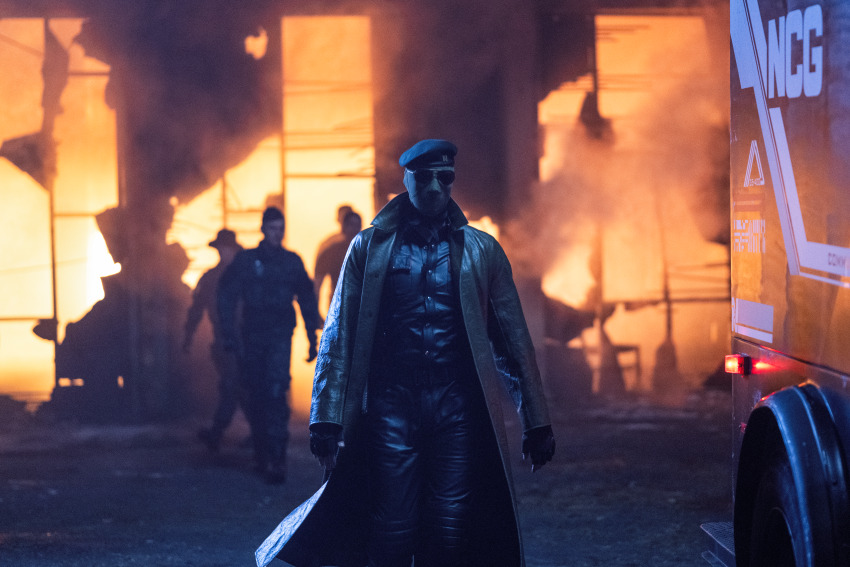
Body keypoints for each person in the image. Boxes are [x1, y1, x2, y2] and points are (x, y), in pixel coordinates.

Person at [256, 139, 555, 566]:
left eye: (444, 177)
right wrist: (326, 417)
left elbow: (512, 340)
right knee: (391, 527)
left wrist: (537, 420)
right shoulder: (369, 248)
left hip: (456, 408)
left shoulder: (482, 251)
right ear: (407, 181)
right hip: (391, 406)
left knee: (448, 529)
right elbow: (340, 334)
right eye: (424, 177)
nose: (434, 188)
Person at [218, 207, 321, 484]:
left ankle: (276, 459)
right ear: (263, 229)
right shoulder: (247, 261)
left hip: (279, 337)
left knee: (275, 392)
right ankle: (263, 454)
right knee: (256, 394)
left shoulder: (291, 262)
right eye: (273, 228)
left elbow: (307, 301)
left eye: (281, 229)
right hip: (252, 337)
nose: (278, 234)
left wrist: (312, 339)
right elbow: (226, 295)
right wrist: (228, 334)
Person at [182, 228, 244, 452]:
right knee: (234, 386)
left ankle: (219, 433)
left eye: (227, 249)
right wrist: (188, 336)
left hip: (249, 341)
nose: (224, 253)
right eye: (221, 249)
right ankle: (222, 433)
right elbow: (196, 309)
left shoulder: (247, 274)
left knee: (239, 387)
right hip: (225, 343)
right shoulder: (210, 278)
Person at [313, 209, 362, 314]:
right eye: (351, 225)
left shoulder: (368, 251)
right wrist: (316, 314)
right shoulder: (331, 251)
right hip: (340, 309)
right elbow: (317, 285)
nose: (354, 229)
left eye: (357, 225)